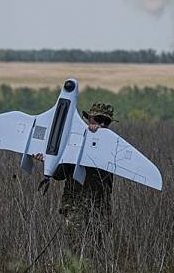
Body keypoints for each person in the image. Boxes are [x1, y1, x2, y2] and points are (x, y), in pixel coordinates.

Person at [32, 102, 118, 252]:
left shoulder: (112, 145)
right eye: (93, 119)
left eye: (101, 121)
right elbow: (60, 174)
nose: (95, 124)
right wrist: (48, 161)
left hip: (99, 208)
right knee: (75, 250)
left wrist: (96, 141)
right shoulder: (77, 141)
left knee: (97, 251)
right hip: (75, 206)